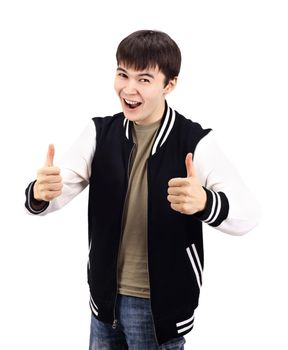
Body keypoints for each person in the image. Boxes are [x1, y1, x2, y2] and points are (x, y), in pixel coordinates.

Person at [25, 30, 260, 350]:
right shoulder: (98, 133)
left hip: (158, 308)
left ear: (170, 84)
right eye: (122, 74)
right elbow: (55, 191)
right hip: (104, 302)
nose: (129, 88)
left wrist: (206, 202)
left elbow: (248, 215)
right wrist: (41, 192)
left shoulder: (194, 141)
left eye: (144, 79)